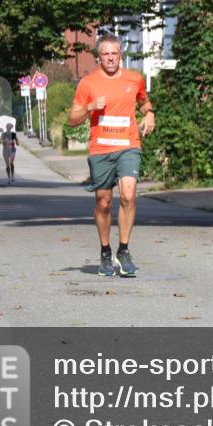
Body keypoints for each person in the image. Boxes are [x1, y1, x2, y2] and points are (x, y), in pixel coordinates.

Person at [68, 35, 155, 278]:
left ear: (121, 55)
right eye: (105, 54)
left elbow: (144, 103)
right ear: (99, 57)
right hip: (101, 150)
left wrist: (150, 115)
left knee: (128, 195)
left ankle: (124, 250)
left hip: (129, 146)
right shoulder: (88, 83)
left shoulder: (134, 79)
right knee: (103, 203)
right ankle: (106, 252)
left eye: (114, 53)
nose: (110, 58)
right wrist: (90, 107)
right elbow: (72, 120)